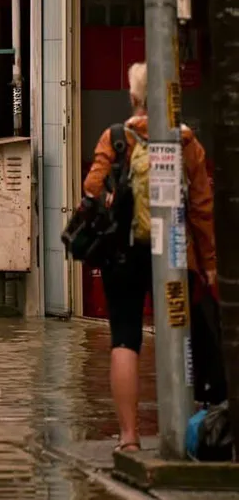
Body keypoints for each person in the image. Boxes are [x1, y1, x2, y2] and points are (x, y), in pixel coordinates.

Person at [83, 62, 217, 453]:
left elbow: (92, 190)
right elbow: (202, 208)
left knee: (124, 339)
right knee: (180, 337)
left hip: (124, 252)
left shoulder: (115, 138)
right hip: (175, 252)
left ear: (133, 98)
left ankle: (128, 439)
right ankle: (183, 433)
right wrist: (209, 263)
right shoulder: (186, 142)